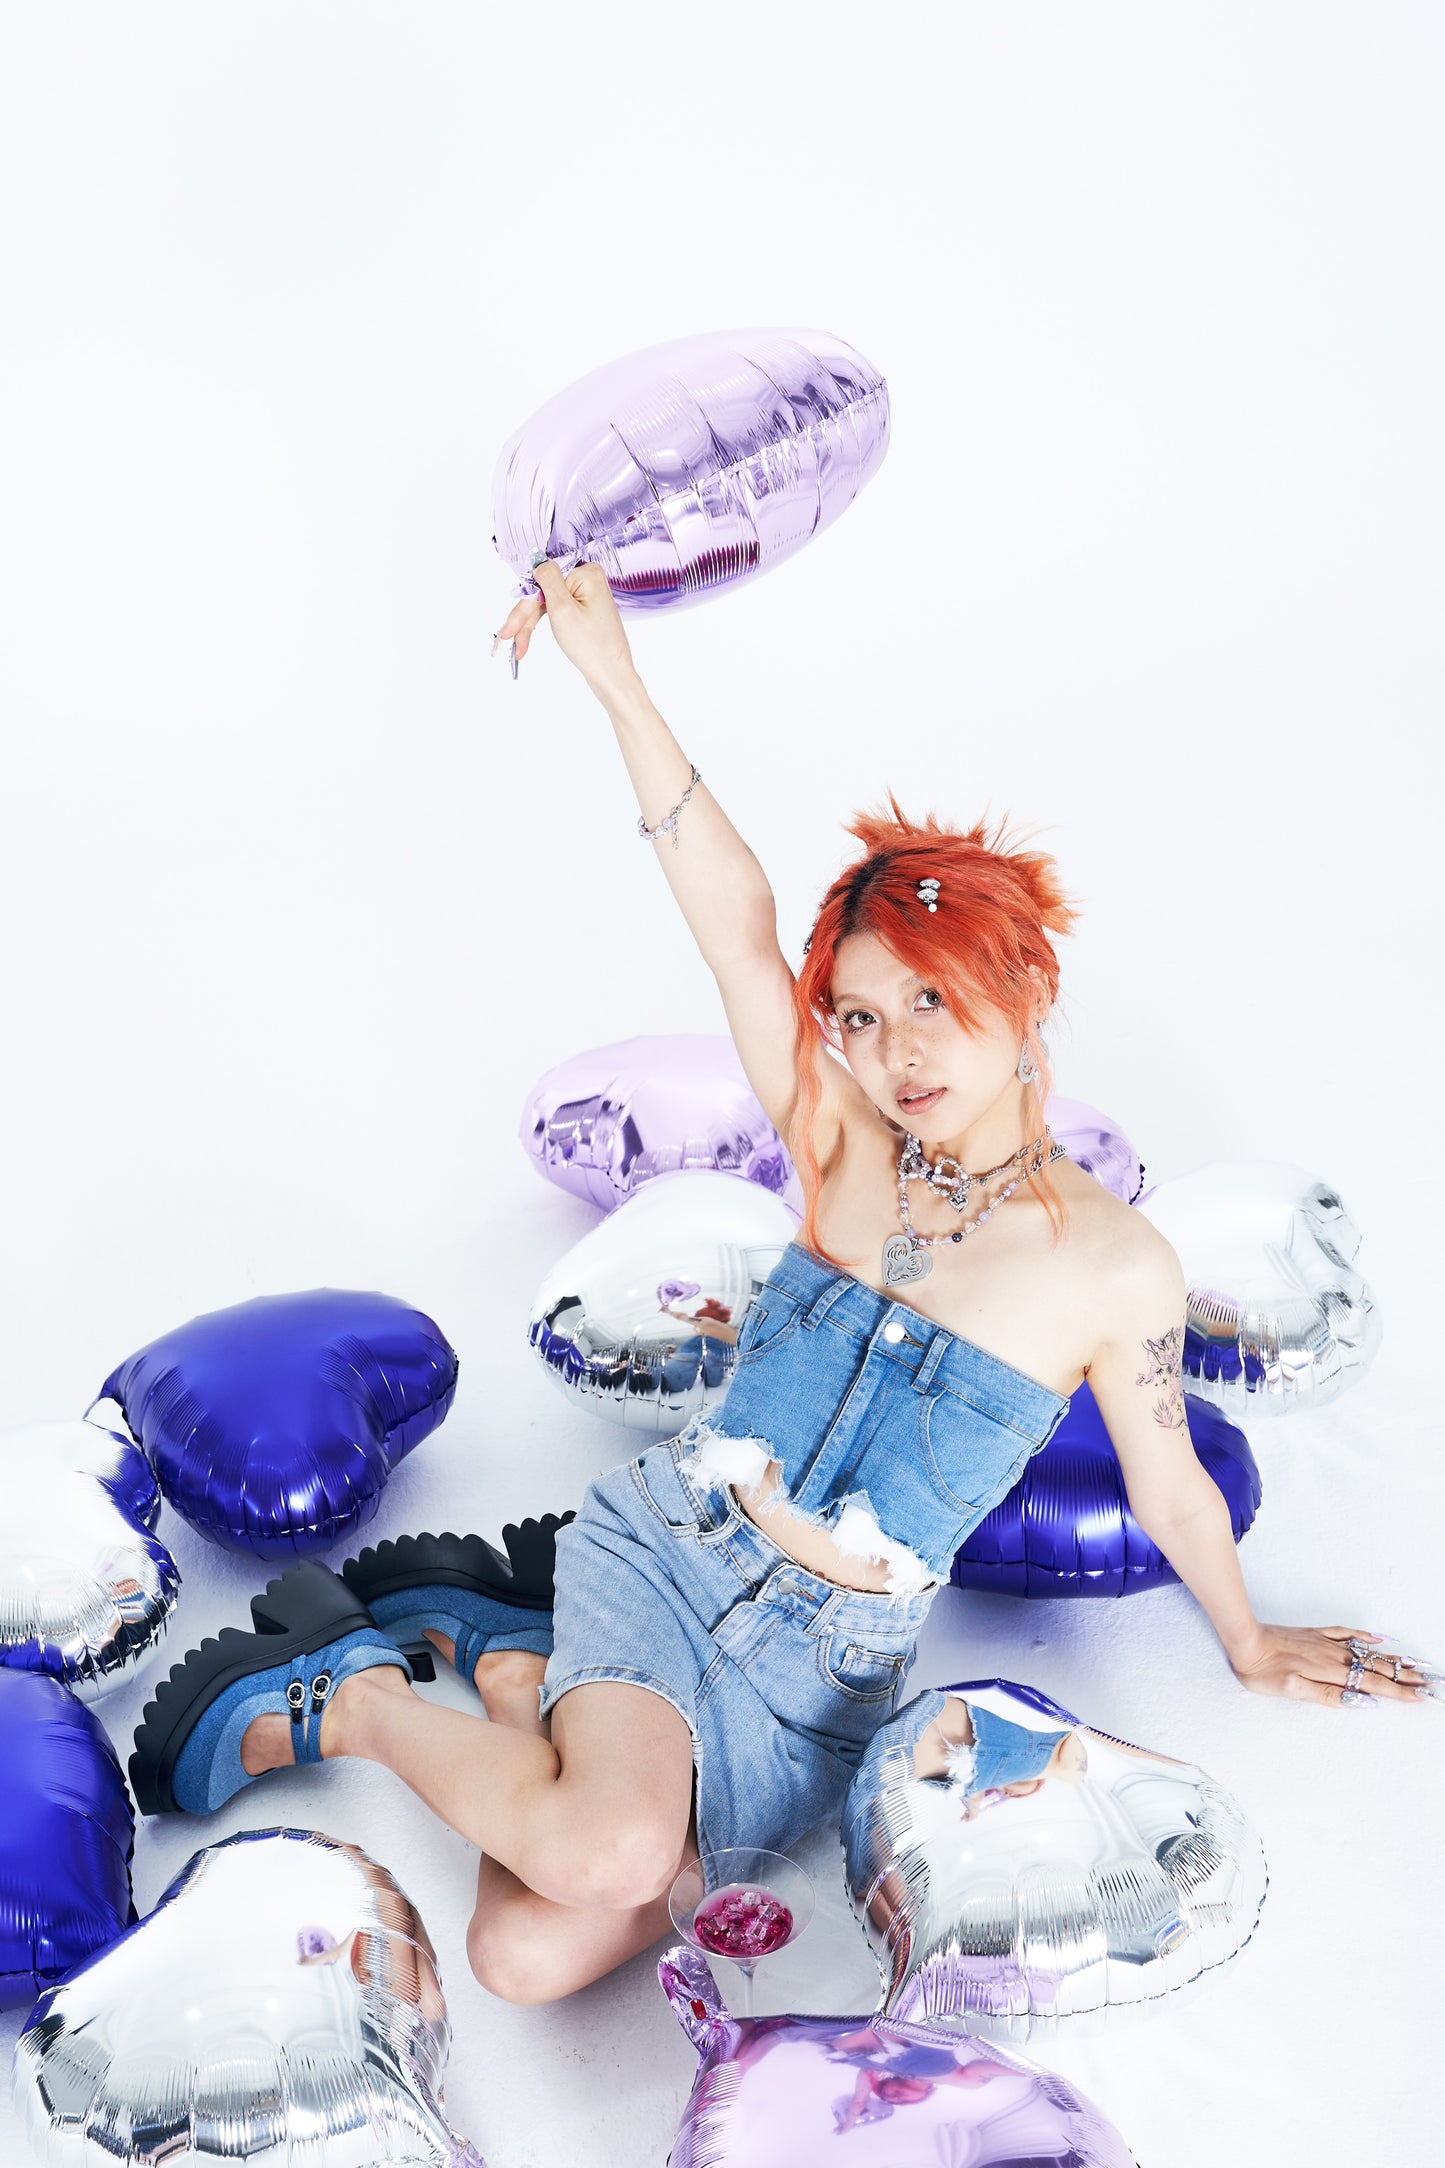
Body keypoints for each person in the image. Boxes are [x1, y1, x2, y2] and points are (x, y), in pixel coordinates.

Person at [130, 557, 1430, 2006]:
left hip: (819, 1681)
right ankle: (354, 1701)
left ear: (1023, 991)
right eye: (860, 1017)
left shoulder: (1114, 1264)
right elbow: (736, 926)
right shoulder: (842, 1147)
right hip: (670, 1553)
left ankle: (510, 1673)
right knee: (615, 1851)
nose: (898, 1051)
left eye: (932, 999)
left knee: (523, 1956)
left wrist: (1248, 1642)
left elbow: (1169, 1476)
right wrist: (616, 678)